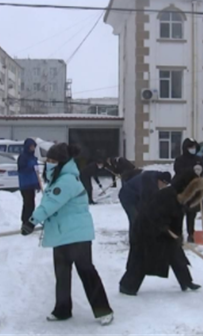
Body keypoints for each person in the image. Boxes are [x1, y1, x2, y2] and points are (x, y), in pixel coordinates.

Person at [21, 143, 114, 325]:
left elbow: (51, 204)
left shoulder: (67, 180)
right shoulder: (59, 179)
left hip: (77, 235)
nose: (49, 163)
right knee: (62, 274)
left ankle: (103, 310)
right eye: (48, 160)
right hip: (62, 234)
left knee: (87, 272)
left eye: (53, 160)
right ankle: (62, 309)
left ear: (63, 162)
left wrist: (31, 221)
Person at [119, 169, 203, 296]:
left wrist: (178, 235)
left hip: (164, 230)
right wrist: (167, 230)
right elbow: (153, 215)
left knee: (176, 254)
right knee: (142, 259)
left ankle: (186, 281)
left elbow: (176, 219)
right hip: (146, 229)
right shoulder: (167, 196)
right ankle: (127, 286)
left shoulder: (180, 200)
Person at [118, 170, 172, 243]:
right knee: (135, 219)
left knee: (141, 218)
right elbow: (148, 203)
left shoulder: (154, 177)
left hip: (136, 197)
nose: (163, 187)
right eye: (164, 184)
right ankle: (134, 241)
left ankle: (142, 239)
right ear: (160, 180)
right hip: (127, 197)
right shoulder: (150, 184)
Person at [173, 138, 203, 243]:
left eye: (195, 147)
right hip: (181, 189)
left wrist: (202, 171)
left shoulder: (198, 159)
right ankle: (178, 234)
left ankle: (191, 234)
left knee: (191, 214)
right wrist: (191, 171)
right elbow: (178, 172)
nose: (193, 149)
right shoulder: (180, 160)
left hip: (194, 190)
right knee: (179, 214)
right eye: (191, 147)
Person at [17, 138, 41, 227]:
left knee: (32, 203)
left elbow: (36, 172)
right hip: (25, 184)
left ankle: (30, 221)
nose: (32, 148)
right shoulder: (23, 157)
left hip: (32, 184)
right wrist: (31, 168)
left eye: (33, 146)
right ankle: (25, 221)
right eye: (31, 146)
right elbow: (22, 169)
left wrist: (37, 183)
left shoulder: (33, 158)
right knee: (27, 203)